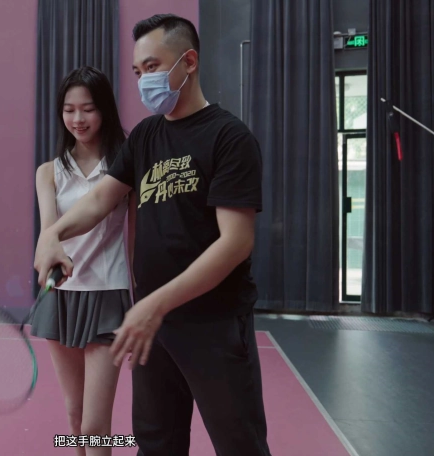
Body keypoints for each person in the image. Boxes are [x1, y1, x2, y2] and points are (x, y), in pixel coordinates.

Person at [34, 14, 271, 456]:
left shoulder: (229, 138)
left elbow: (236, 242)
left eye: (152, 67)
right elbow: (100, 200)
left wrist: (153, 304)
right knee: (156, 444)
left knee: (238, 445)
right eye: (137, 72)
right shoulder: (145, 136)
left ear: (189, 62)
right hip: (153, 328)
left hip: (212, 323)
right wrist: (54, 234)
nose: (144, 80)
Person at [30, 66, 134, 456]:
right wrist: (47, 256)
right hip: (62, 298)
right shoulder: (48, 173)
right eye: (69, 110)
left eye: (88, 109)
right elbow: (48, 234)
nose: (78, 119)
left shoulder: (124, 165)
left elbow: (137, 236)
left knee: (94, 425)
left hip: (108, 294)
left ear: (104, 109)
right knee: (74, 419)